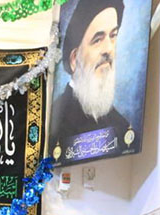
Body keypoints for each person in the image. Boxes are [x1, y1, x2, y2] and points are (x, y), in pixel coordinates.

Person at [50, 0, 130, 145]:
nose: (109, 49)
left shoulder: (122, 126)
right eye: (97, 40)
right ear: (74, 59)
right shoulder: (54, 123)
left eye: (113, 36)